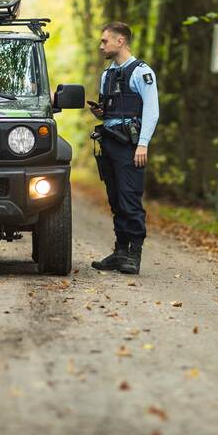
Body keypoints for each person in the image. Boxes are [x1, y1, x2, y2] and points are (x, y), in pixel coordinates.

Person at [88, 22, 158, 275]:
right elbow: (112, 111)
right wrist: (100, 112)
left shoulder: (142, 72)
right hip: (109, 142)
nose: (101, 46)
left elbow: (152, 110)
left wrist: (143, 144)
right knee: (116, 200)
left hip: (130, 146)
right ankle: (119, 252)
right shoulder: (107, 74)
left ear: (120, 42)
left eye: (105, 41)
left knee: (130, 200)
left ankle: (133, 254)